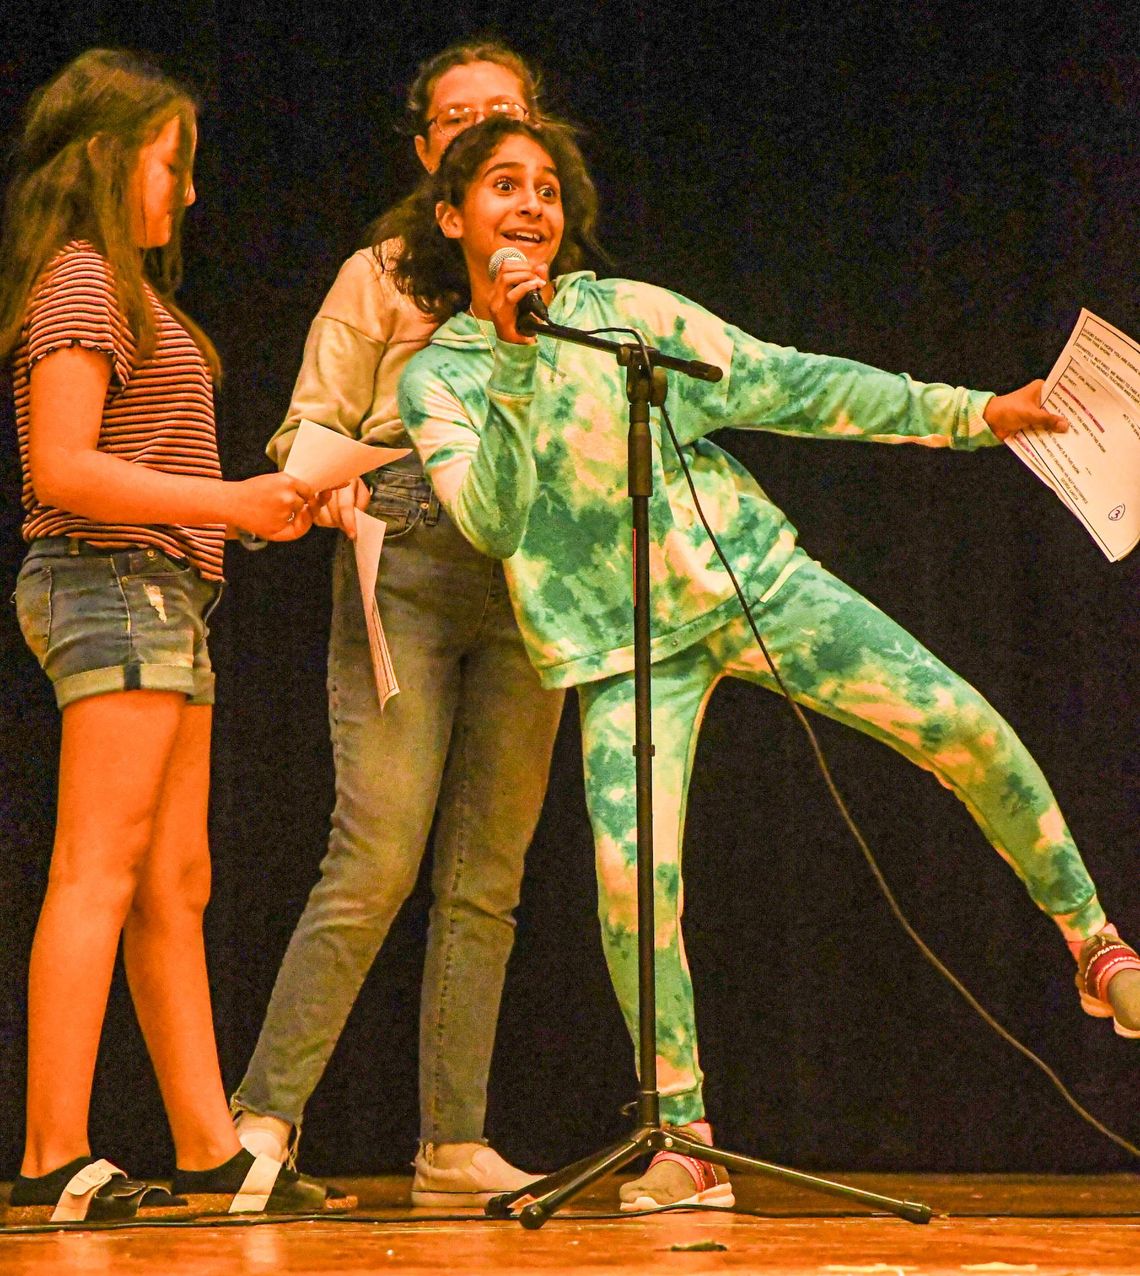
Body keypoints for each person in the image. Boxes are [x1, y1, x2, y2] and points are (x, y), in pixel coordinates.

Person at [388, 116, 1140, 1210]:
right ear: (454, 217)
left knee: (962, 724)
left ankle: (1096, 946)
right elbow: (495, 520)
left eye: (548, 188)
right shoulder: (437, 381)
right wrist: (510, 353)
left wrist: (977, 414)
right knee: (630, 885)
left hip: (751, 583)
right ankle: (683, 1137)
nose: (533, 207)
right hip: (621, 652)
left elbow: (794, 385)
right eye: (506, 186)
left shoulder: (624, 316)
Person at [0, 49, 350, 1221]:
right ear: (107, 159)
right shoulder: (82, 280)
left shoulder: (130, 293)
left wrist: (265, 502)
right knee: (97, 867)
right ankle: (54, 1146)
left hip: (163, 594)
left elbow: (147, 467)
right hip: (108, 584)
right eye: (171, 163)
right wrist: (232, 504)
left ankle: (209, 1143)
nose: (188, 191)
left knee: (174, 880)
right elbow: (60, 467)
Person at [229, 41, 566, 1207]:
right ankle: (261, 1123)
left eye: (509, 126)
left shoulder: (567, 290)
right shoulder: (381, 272)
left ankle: (453, 1141)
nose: (494, 151)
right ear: (433, 159)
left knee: (490, 875)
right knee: (375, 851)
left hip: (528, 577)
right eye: (462, 125)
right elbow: (301, 425)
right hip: (408, 555)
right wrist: (328, 479)